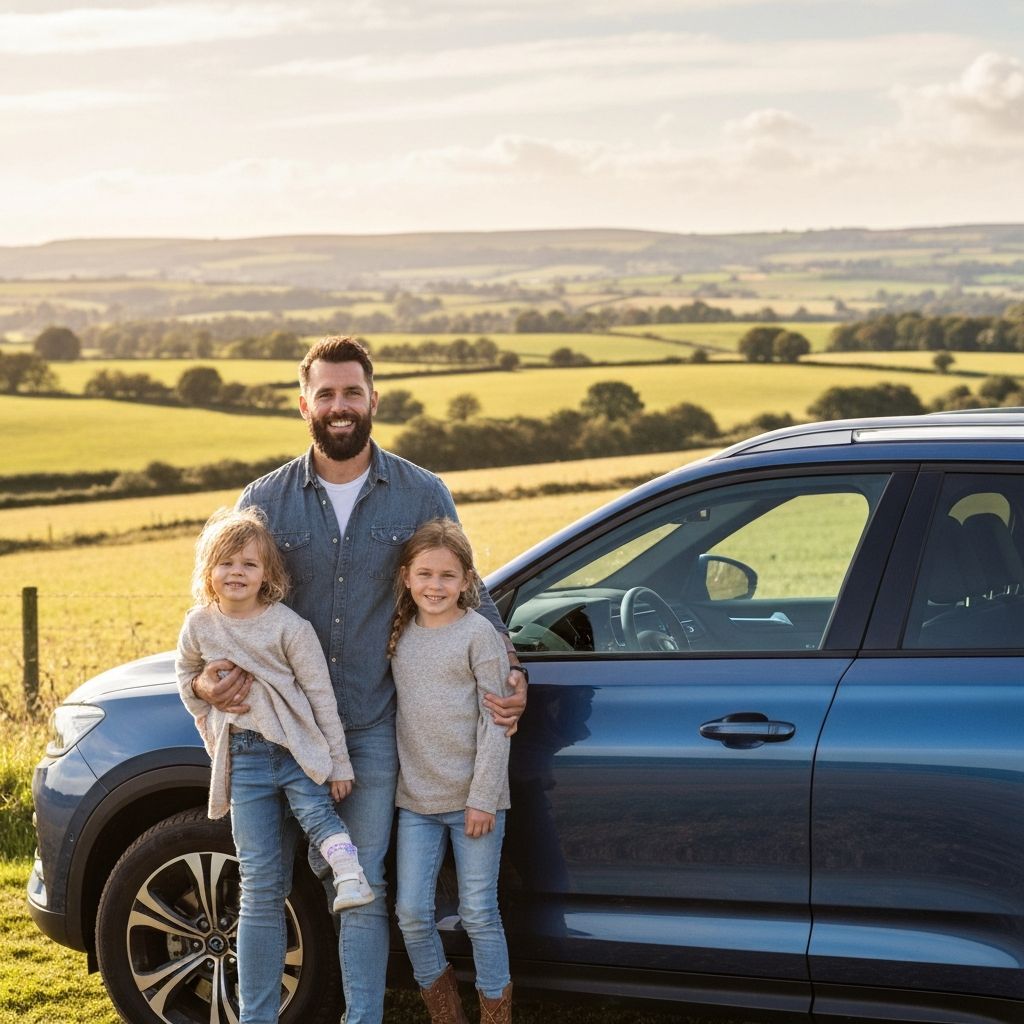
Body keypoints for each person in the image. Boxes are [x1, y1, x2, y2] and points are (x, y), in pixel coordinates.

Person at [189, 335, 527, 1024]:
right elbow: (220, 601)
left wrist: (512, 668)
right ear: (303, 403)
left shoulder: (420, 491)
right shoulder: (264, 499)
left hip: (372, 727)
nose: (339, 406)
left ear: (374, 398)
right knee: (263, 886)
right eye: (326, 394)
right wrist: (202, 687)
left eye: (352, 392)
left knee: (363, 886)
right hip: (276, 729)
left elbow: (472, 594)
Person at [176, 506, 373, 1024]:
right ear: (208, 572)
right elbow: (187, 681)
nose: (237, 572)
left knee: (318, 817)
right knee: (260, 886)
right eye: (226, 563)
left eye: (249, 564)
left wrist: (337, 761)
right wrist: (209, 717)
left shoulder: (289, 627)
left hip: (293, 750)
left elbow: (320, 695)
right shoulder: (199, 625)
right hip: (242, 761)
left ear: (269, 575)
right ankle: (257, 1017)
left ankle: (350, 871)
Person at [388, 518, 514, 1024]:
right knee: (412, 915)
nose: (434, 586)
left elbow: (497, 720)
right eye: (424, 574)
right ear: (406, 577)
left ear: (467, 582)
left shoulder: (478, 634)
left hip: (474, 802)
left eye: (447, 576)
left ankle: (496, 1013)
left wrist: (483, 797)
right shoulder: (399, 636)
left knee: (480, 914)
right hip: (416, 803)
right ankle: (445, 1012)